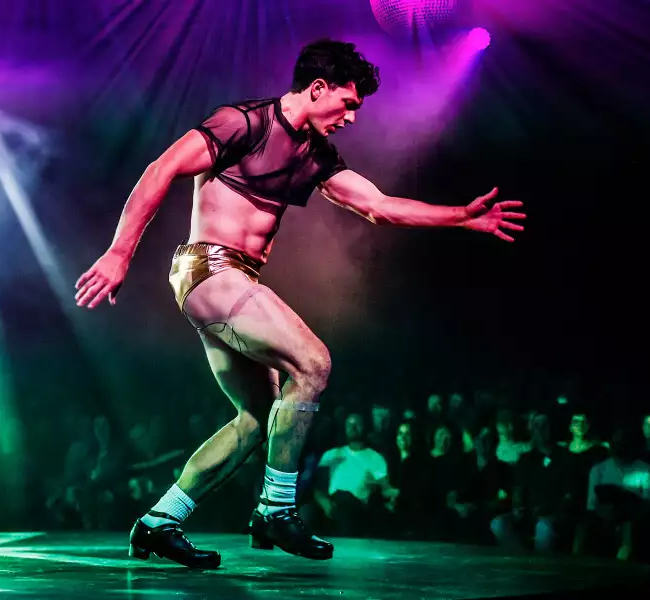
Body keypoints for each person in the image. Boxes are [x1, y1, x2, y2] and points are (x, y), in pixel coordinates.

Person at [74, 39, 526, 568]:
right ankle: (275, 508)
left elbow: (378, 206)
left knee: (256, 419)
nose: (352, 118)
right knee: (313, 363)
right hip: (209, 269)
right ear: (317, 89)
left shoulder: (316, 154)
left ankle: (159, 521)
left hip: (231, 280)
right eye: (348, 103)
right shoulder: (242, 123)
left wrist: (460, 217)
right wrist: (119, 253)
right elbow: (161, 168)